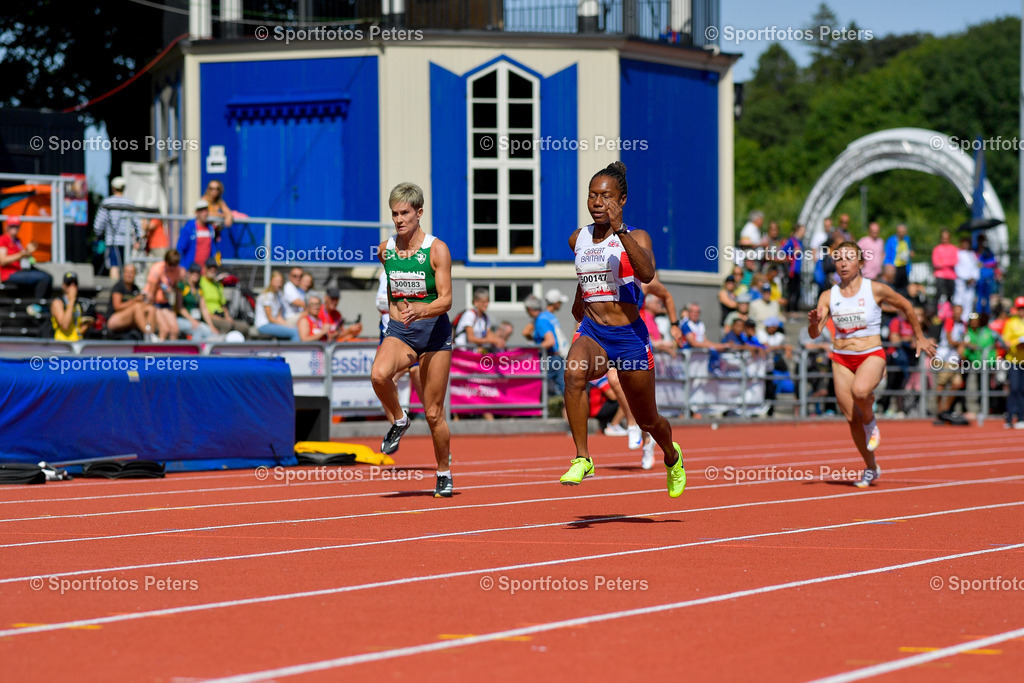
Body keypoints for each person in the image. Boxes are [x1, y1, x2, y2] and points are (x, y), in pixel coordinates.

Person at [559, 161, 684, 497]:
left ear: (622, 200)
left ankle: (672, 456)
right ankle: (582, 458)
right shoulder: (578, 238)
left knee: (647, 420)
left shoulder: (637, 236)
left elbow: (646, 274)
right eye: (592, 195)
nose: (598, 202)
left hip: (629, 338)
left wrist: (621, 231)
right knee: (573, 374)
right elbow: (587, 273)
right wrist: (580, 300)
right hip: (594, 333)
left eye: (606, 196)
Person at [808, 241, 935, 487]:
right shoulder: (828, 295)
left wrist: (920, 337)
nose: (843, 263)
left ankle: (871, 418)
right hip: (841, 358)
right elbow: (815, 333)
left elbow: (906, 305)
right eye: (838, 259)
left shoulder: (875, 289)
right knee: (851, 418)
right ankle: (871, 467)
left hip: (871, 354)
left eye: (849, 258)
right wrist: (813, 323)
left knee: (860, 392)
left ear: (860, 262)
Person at [369, 182, 455, 498]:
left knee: (433, 413)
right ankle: (400, 418)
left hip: (434, 335)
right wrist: (400, 313)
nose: (399, 219)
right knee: (378, 375)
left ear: (419, 213)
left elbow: (446, 300)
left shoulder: (437, 249)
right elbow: (392, 288)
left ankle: (443, 472)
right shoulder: (385, 250)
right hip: (401, 332)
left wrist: (422, 309)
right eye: (394, 214)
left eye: (404, 213)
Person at [92, 176, 140, 281]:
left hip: (112, 240)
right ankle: (124, 288)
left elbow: (98, 224)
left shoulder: (107, 202)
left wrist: (98, 234)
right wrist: (138, 239)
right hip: (127, 241)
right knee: (126, 266)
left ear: (113, 188)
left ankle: (115, 288)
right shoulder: (130, 203)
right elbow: (137, 223)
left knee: (114, 266)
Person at [0, 216, 53, 300]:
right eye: (12, 226)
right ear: (6, 227)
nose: (14, 228)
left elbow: (22, 256)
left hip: (20, 270)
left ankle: (40, 303)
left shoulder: (17, 241)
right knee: (44, 277)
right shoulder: (3, 239)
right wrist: (21, 255)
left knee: (48, 276)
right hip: (8, 274)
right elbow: (2, 261)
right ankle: (37, 304)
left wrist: (28, 251)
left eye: (16, 226)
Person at [523, 294, 566, 396]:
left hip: (550, 359)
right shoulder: (546, 316)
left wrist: (535, 348)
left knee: (535, 386)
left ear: (529, 309)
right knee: (566, 390)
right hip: (557, 358)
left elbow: (550, 341)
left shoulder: (541, 321)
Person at [199, 259, 249, 337]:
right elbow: (203, 308)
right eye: (210, 267)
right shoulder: (200, 282)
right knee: (226, 325)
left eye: (215, 267)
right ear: (205, 268)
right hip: (209, 317)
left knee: (244, 327)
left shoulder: (218, 285)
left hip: (221, 316)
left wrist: (227, 317)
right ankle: (220, 343)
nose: (213, 270)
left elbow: (223, 304)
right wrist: (218, 321)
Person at [145, 249, 187, 341]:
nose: (172, 268)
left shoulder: (178, 271)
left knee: (175, 330)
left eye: (174, 265)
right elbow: (151, 293)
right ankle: (160, 349)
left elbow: (177, 287)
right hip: (154, 302)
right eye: (170, 265)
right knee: (164, 329)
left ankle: (172, 350)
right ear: (166, 262)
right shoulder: (157, 269)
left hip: (166, 303)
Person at [107, 263, 154, 338]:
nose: (129, 275)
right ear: (123, 273)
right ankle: (148, 334)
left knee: (150, 309)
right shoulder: (118, 287)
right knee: (137, 306)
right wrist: (135, 300)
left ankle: (150, 331)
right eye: (127, 272)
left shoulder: (135, 288)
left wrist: (149, 300)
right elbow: (117, 307)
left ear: (135, 274)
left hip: (130, 319)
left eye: (131, 273)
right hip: (114, 319)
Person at [176, 199, 220, 271]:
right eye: (202, 211)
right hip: (191, 271)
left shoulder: (210, 228)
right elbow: (180, 248)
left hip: (206, 271)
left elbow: (213, 248)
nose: (205, 213)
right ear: (196, 213)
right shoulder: (189, 228)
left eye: (206, 210)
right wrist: (182, 266)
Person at [255, 270, 299, 341]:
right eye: (276, 281)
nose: (278, 284)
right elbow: (270, 318)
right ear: (271, 281)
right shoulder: (266, 296)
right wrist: (286, 325)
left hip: (273, 324)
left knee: (298, 329)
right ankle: (293, 348)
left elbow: (279, 316)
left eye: (280, 282)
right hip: (264, 325)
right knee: (296, 332)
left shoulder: (278, 295)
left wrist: (286, 325)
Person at [177, 263, 216, 341]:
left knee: (210, 332)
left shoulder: (199, 290)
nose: (195, 275)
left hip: (196, 320)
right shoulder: (182, 286)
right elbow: (180, 308)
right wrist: (191, 320)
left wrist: (211, 326)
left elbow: (204, 308)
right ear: (189, 273)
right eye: (193, 272)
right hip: (181, 319)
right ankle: (194, 349)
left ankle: (207, 348)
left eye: (197, 273)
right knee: (198, 331)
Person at [1001, 296, 1024, 429]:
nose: (1022, 311)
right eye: (1020, 308)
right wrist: (1017, 342)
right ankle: (1010, 417)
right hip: (1014, 360)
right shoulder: (1011, 323)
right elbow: (1006, 341)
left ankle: (1021, 417)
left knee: (1022, 389)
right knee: (1014, 388)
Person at [50, 272, 91, 341]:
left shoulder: (80, 303)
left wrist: (87, 325)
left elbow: (78, 329)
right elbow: (65, 325)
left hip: (77, 342)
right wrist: (71, 300)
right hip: (61, 342)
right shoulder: (58, 302)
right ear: (63, 286)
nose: (72, 286)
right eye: (69, 283)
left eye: (75, 283)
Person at [953, 236, 980, 317]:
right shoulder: (958, 253)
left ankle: (966, 319)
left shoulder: (972, 254)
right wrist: (966, 278)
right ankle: (958, 318)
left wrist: (973, 277)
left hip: (971, 283)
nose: (966, 245)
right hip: (961, 282)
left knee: (969, 301)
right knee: (959, 300)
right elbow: (957, 268)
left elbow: (976, 268)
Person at [782, 224, 805, 312]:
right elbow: (783, 251)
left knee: (797, 290)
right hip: (792, 269)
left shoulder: (800, 242)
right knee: (791, 290)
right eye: (802, 230)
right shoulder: (792, 241)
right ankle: (789, 309)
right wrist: (793, 252)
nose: (804, 232)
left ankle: (794, 308)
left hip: (797, 270)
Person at [931, 229, 958, 305]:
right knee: (938, 294)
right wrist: (948, 262)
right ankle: (936, 310)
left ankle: (948, 310)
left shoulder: (953, 249)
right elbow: (936, 263)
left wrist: (943, 262)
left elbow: (955, 262)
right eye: (943, 238)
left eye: (946, 238)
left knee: (950, 295)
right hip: (940, 275)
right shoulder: (937, 249)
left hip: (951, 275)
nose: (945, 240)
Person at [883, 223, 913, 290]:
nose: (901, 234)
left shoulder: (907, 239)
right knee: (894, 287)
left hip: (904, 267)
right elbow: (886, 254)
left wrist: (910, 254)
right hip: (894, 267)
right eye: (900, 232)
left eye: (903, 232)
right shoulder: (891, 240)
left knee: (904, 287)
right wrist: (887, 266)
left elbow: (909, 250)